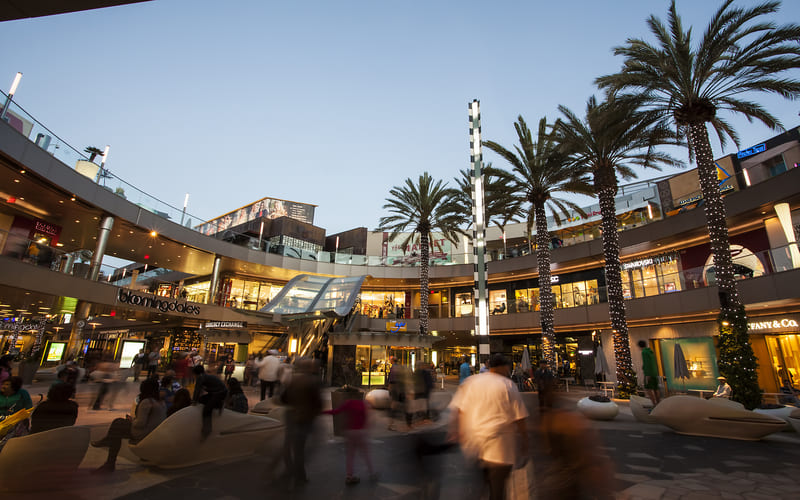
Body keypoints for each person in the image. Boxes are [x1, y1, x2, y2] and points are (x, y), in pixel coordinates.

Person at [448, 353, 529, 500]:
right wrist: (524, 442)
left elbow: (458, 409)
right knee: (497, 490)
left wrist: (456, 431)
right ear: (504, 367)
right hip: (500, 449)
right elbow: (519, 417)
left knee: (478, 486)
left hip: (474, 445)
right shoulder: (508, 385)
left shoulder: (472, 382)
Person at [91, 379, 166, 473]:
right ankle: (108, 450)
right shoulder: (161, 402)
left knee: (117, 425)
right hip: (153, 433)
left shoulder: (147, 402)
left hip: (143, 433)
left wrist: (132, 420)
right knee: (118, 425)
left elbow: (140, 423)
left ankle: (109, 461)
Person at [282, 358, 322, 487]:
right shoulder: (312, 382)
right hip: (304, 418)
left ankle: (289, 470)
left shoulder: (293, 379)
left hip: (292, 415)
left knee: (289, 445)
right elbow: (318, 403)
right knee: (299, 448)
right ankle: (300, 475)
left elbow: (283, 398)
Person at [323, 391, 376, 485]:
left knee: (350, 455)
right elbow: (367, 419)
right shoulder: (364, 404)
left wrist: (323, 412)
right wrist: (367, 430)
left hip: (350, 432)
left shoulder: (348, 403)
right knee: (365, 454)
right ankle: (372, 473)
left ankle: (349, 476)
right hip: (361, 432)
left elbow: (335, 411)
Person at [192, 365, 227, 438]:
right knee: (201, 400)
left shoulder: (201, 377)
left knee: (207, 410)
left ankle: (207, 429)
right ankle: (217, 404)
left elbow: (197, 390)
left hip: (219, 393)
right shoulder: (204, 376)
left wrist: (194, 401)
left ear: (196, 373)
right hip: (216, 392)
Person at [638, 340, 661, 404]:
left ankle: (654, 403)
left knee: (648, 389)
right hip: (654, 373)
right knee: (655, 388)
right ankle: (658, 403)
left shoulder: (644, 352)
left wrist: (647, 374)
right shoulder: (650, 351)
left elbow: (647, 363)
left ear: (640, 346)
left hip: (648, 373)